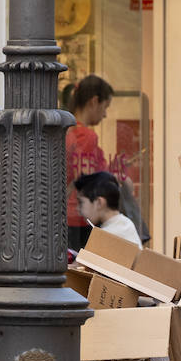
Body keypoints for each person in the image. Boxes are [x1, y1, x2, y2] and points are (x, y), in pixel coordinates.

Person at [65, 75, 114, 252]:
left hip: (64, 217)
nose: (105, 114)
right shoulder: (87, 137)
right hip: (82, 218)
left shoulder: (65, 132)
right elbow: (94, 179)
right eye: (105, 106)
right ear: (94, 101)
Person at [74, 171, 142, 248]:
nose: (77, 209)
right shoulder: (126, 224)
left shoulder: (105, 237)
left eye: (81, 202)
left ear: (99, 203)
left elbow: (81, 260)